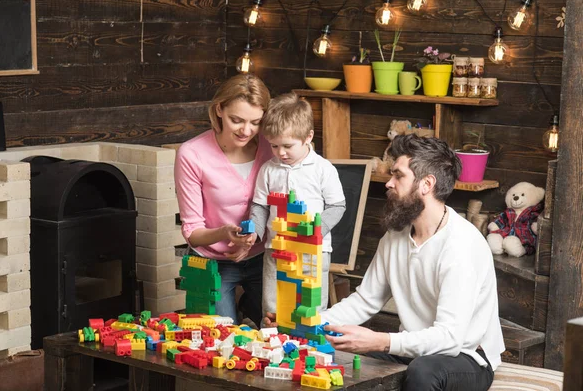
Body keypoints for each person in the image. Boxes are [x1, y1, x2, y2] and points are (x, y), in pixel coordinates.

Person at [308, 134, 503, 391]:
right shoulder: (395, 236)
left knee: (423, 372)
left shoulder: (461, 245)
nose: (389, 183)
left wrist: (381, 341)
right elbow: (366, 300)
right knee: (345, 363)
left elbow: (450, 338)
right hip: (416, 351)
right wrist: (310, 324)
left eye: (398, 176)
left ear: (426, 184)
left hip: (466, 356)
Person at [174, 74, 272, 326]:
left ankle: (247, 310)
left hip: (264, 257)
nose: (246, 131)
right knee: (221, 336)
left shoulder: (271, 148)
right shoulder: (192, 154)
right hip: (214, 262)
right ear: (219, 109)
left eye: (255, 122)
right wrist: (224, 233)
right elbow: (192, 232)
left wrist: (253, 240)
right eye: (236, 120)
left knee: (275, 333)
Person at [249, 92, 346, 318]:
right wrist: (255, 231)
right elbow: (260, 206)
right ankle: (272, 342)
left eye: (287, 146)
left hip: (313, 251)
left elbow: (337, 206)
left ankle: (307, 344)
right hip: (276, 247)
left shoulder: (323, 169)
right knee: (272, 305)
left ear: (308, 137)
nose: (280, 153)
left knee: (310, 306)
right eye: (274, 146)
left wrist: (316, 230)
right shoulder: (268, 169)